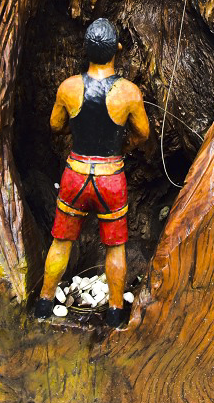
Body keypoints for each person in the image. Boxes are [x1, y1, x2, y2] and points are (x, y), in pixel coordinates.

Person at [35, 18, 150, 327]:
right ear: (118, 50)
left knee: (61, 241)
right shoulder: (128, 92)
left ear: (85, 50)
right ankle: (114, 311)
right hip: (110, 177)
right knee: (115, 246)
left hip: (76, 174)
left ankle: (45, 303)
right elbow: (143, 133)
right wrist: (123, 148)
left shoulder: (69, 88)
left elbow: (55, 126)